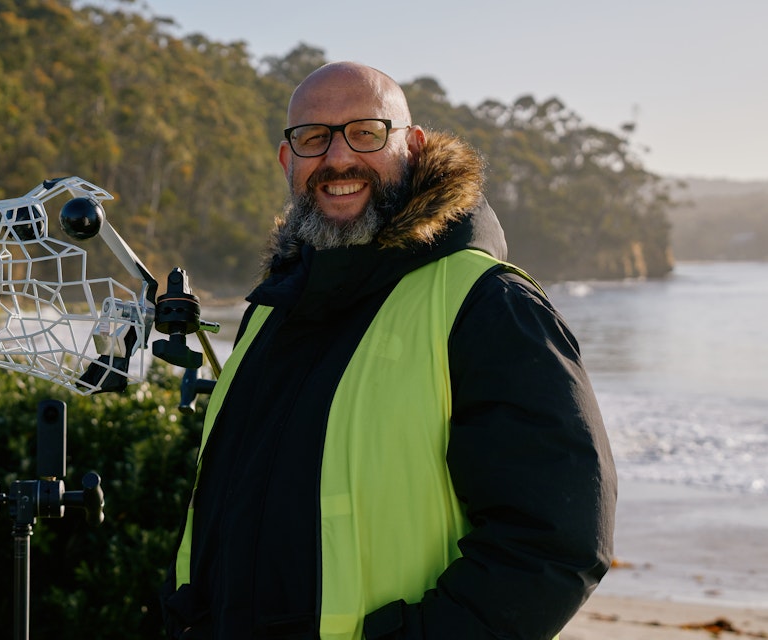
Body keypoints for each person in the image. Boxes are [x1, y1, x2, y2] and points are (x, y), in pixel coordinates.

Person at [160, 61, 617, 639]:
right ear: (288, 161)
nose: (337, 158)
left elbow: (556, 544)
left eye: (367, 132)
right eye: (313, 138)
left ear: (413, 146)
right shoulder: (272, 310)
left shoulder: (488, 305)